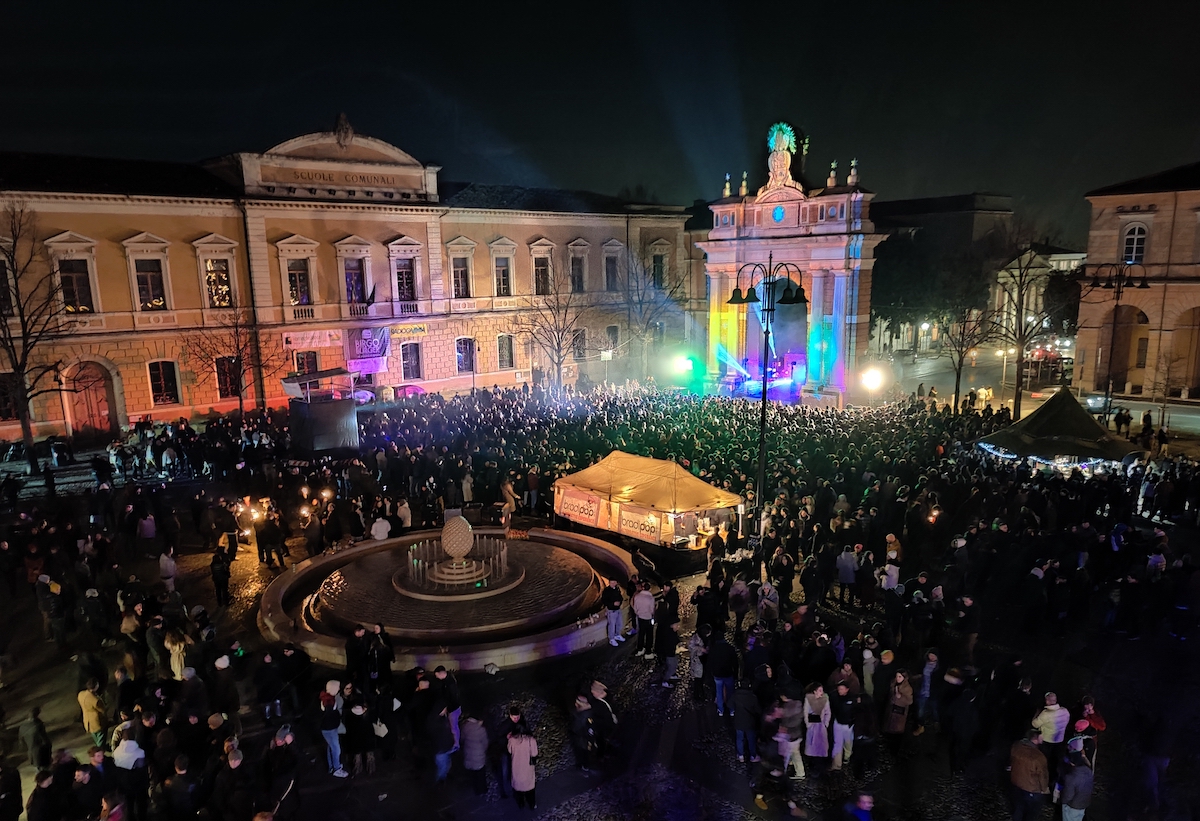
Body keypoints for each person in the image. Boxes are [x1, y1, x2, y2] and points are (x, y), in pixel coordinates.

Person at [1009, 729, 1049, 821]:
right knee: (1032, 812)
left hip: (1016, 783)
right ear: (1036, 738)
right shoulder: (1038, 757)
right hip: (1031, 788)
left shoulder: (1016, 746)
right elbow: (1042, 775)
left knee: (1018, 808)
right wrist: (1044, 789)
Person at [318, 680, 349, 778]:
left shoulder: (327, 698)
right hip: (330, 729)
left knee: (330, 747)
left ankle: (331, 767)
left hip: (327, 728)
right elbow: (331, 715)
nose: (339, 689)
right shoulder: (329, 702)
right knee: (336, 749)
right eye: (337, 687)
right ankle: (337, 768)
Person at [507, 724, 539, 809]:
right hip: (527, 768)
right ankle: (532, 804)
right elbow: (534, 753)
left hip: (516, 767)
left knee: (518, 789)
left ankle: (521, 804)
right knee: (530, 789)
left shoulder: (512, 740)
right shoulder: (531, 740)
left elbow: (509, 751)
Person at [461, 714, 489, 795]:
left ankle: (476, 789)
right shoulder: (481, 730)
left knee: (473, 774)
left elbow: (462, 739)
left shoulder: (465, 726)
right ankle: (482, 790)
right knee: (480, 774)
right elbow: (485, 743)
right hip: (479, 755)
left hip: (468, 754)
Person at [79, 679, 108, 750]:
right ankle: (100, 751)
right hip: (97, 722)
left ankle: (101, 747)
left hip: (88, 721)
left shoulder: (81, 694)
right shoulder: (96, 700)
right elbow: (102, 710)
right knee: (101, 738)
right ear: (96, 687)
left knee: (95, 737)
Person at [632, 582, 656, 658]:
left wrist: (638, 613)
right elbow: (652, 610)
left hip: (640, 617)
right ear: (649, 589)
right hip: (648, 618)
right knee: (649, 635)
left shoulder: (637, 596)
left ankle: (640, 649)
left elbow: (635, 607)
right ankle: (648, 652)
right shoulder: (651, 598)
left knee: (641, 634)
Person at [602, 579, 625, 647]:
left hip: (618, 609)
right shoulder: (606, 591)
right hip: (611, 610)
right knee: (611, 625)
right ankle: (611, 638)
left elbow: (620, 597)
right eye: (611, 583)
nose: (613, 584)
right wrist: (613, 604)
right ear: (609, 583)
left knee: (619, 623)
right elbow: (604, 600)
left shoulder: (617, 589)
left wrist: (619, 603)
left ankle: (617, 635)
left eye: (614, 582)